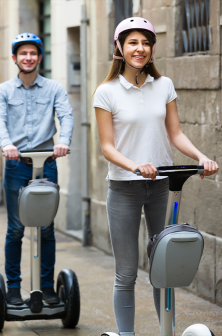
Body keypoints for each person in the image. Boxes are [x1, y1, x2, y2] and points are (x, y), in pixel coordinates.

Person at [93, 18, 219, 336]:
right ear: (119, 48)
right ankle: (127, 334)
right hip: (124, 188)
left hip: (161, 184)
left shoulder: (163, 86)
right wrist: (135, 166)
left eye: (146, 43)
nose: (140, 49)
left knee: (164, 265)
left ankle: (167, 331)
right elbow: (107, 148)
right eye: (133, 42)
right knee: (126, 272)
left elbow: (175, 134)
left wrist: (200, 157)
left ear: (152, 50)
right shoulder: (106, 92)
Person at [0, 33, 74, 305]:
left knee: (46, 229)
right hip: (17, 165)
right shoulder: (2, 91)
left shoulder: (54, 88)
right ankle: (13, 289)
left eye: (33, 53)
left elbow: (66, 115)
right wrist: (6, 145)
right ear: (15, 58)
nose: (28, 58)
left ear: (39, 57)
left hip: (47, 165)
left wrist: (63, 142)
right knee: (16, 230)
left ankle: (47, 288)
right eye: (22, 53)